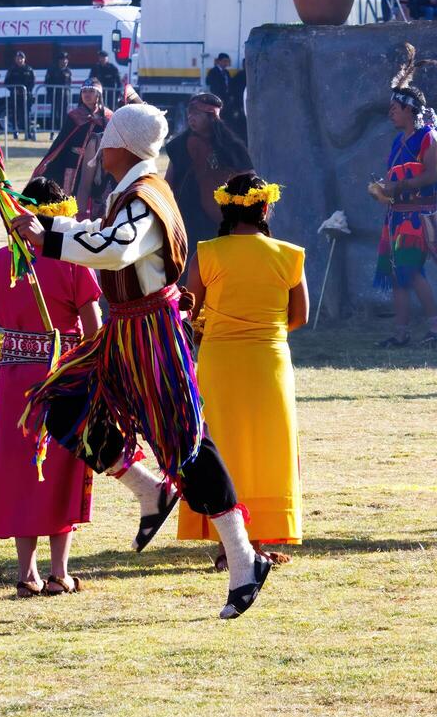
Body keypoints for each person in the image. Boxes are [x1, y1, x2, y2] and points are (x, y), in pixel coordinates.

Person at [15, 102, 274, 619]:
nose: (98, 144)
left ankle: (244, 558)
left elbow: (117, 248)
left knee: (188, 444)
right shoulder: (133, 191)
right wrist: (50, 227)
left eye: (105, 136)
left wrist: (49, 238)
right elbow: (106, 237)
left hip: (152, 332)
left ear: (121, 146)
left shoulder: (145, 196)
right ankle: (149, 490)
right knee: (62, 400)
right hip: (125, 329)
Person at [0, 178, 103, 596]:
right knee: (61, 468)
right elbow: (92, 330)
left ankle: (26, 572)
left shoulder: (1, 261)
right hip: (63, 377)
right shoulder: (73, 263)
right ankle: (59, 572)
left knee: (22, 469)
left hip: (15, 380)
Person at [176, 174, 308, 567]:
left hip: (219, 360)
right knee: (268, 447)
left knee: (224, 447)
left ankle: (227, 545)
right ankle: (260, 539)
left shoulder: (207, 254)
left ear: (224, 208)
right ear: (265, 208)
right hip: (269, 360)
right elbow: (298, 316)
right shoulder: (289, 254)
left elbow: (189, 312)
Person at [372, 45, 437, 348]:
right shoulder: (397, 140)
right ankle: (401, 333)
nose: (390, 112)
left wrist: (400, 188)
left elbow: (434, 174)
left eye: (395, 107)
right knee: (396, 273)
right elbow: (395, 176)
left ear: (409, 110)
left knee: (412, 271)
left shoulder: (429, 136)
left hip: (417, 216)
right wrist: (383, 189)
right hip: (396, 215)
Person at [164, 92, 254, 249]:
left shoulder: (231, 146)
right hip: (187, 218)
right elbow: (168, 183)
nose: (191, 117)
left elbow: (250, 178)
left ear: (212, 116)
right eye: (190, 112)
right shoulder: (178, 145)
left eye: (197, 114)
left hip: (222, 221)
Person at [33, 78, 111, 212]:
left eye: (91, 91)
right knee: (69, 194)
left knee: (97, 194)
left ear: (98, 94)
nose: (86, 95)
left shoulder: (108, 117)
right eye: (84, 91)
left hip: (98, 164)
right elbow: (61, 142)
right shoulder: (74, 116)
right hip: (73, 162)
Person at [3, 50, 37, 141]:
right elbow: (6, 82)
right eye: (18, 58)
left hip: (26, 96)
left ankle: (28, 133)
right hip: (15, 97)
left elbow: (33, 82)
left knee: (26, 115)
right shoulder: (12, 70)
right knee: (14, 115)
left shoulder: (29, 69)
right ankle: (15, 132)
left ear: (24, 59)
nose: (19, 60)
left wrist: (26, 91)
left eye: (21, 58)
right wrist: (13, 90)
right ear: (15, 59)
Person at [45, 51, 73, 126]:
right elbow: (47, 82)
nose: (65, 61)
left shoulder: (68, 71)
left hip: (64, 95)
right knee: (54, 112)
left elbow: (69, 83)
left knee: (64, 113)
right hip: (55, 95)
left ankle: (63, 128)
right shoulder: (52, 70)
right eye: (63, 59)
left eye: (66, 59)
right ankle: (53, 129)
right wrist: (50, 93)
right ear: (59, 60)